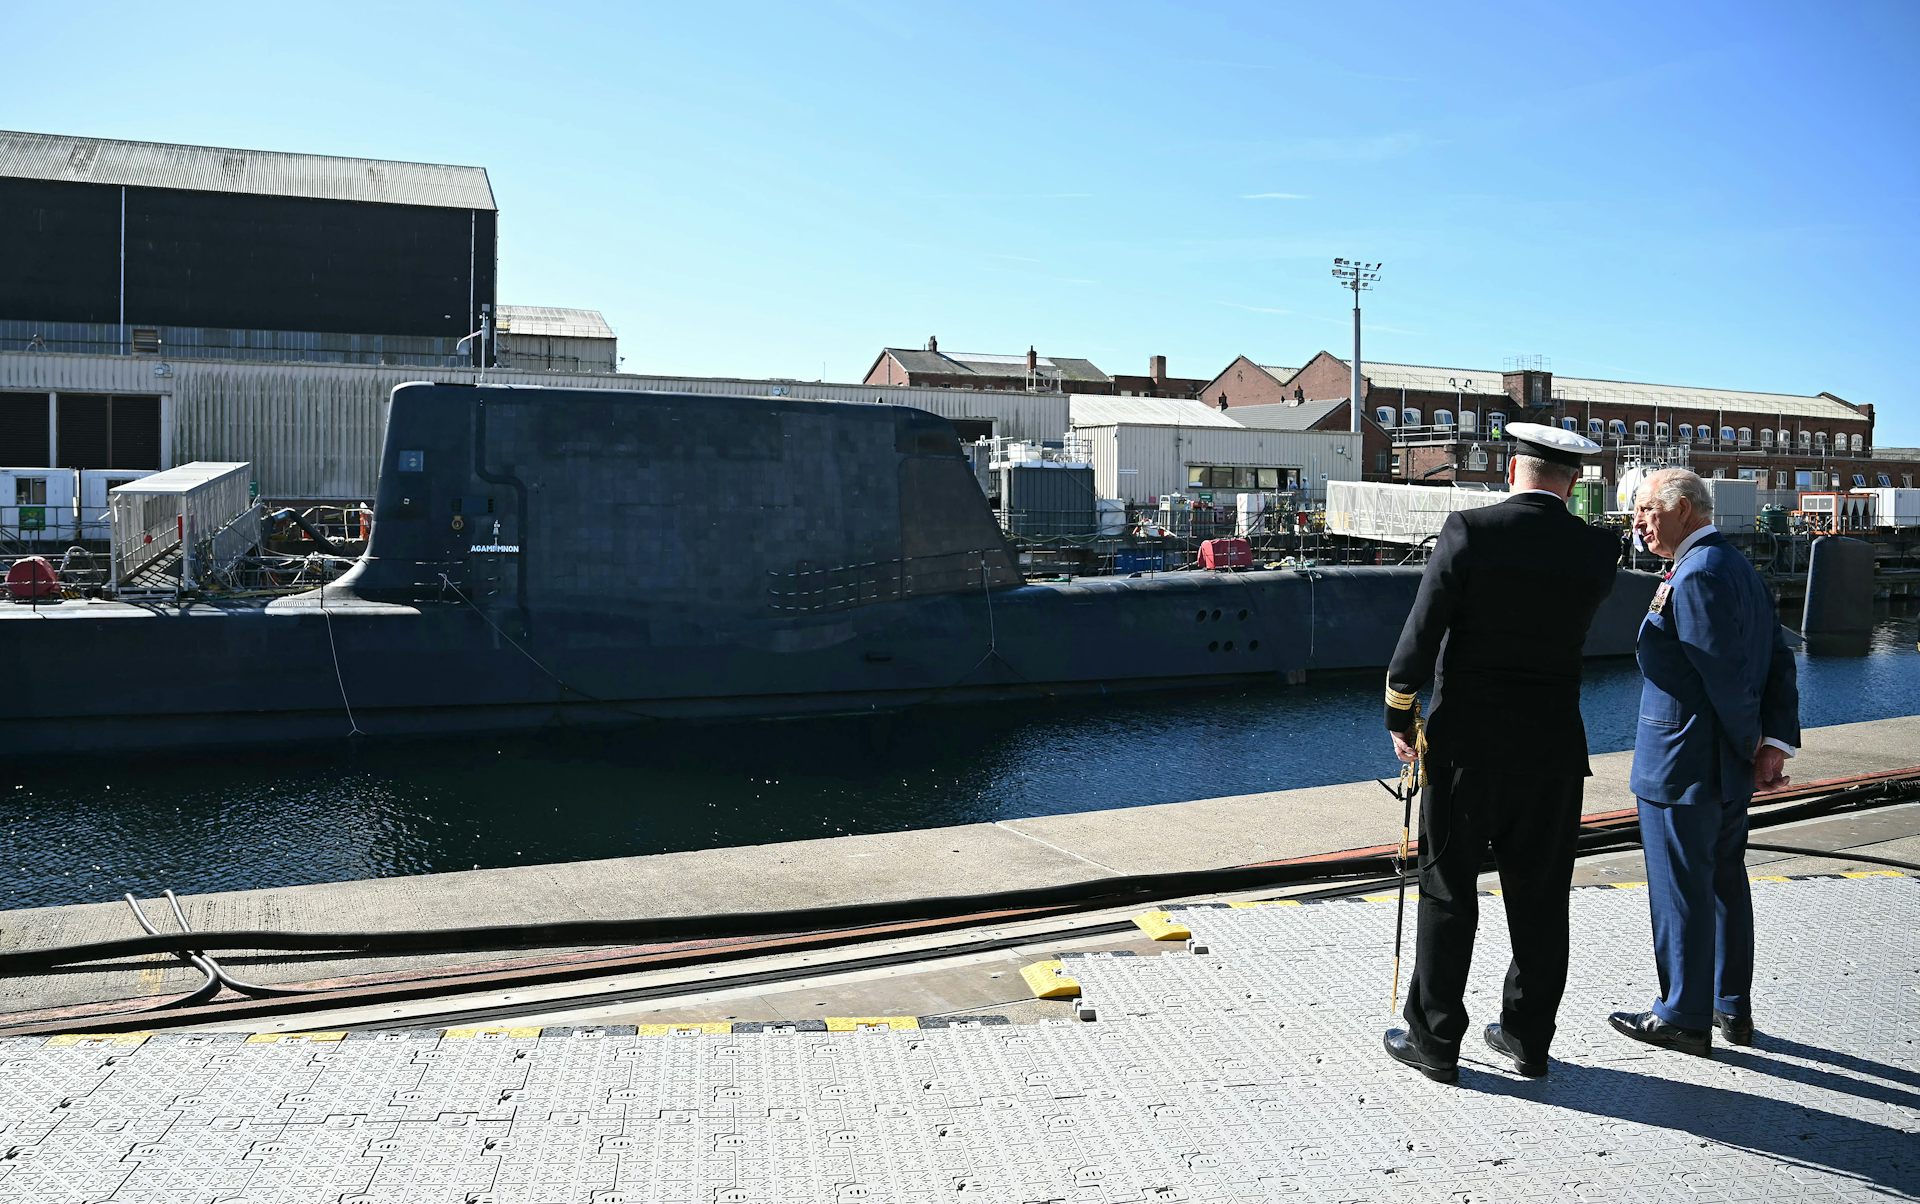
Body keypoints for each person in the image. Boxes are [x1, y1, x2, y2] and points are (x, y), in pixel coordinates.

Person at [1380, 423, 1622, 1084]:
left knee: (1448, 890)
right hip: (1552, 749)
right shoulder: (1597, 549)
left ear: (1513, 469)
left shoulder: (1470, 530)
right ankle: (1527, 1038)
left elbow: (1424, 629)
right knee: (1541, 897)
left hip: (1467, 746)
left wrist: (1402, 712)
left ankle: (1435, 1040)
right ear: (1573, 480)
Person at [1609, 468, 1799, 1056]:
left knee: (1680, 890)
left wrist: (1751, 746)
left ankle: (1682, 1016)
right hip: (1720, 767)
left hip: (1684, 763)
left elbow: (1721, 675)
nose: (1638, 523)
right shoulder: (1736, 567)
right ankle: (1728, 1006)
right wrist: (1773, 743)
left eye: (1646, 510)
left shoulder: (1696, 574)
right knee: (1723, 884)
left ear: (1683, 509)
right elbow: (1778, 660)